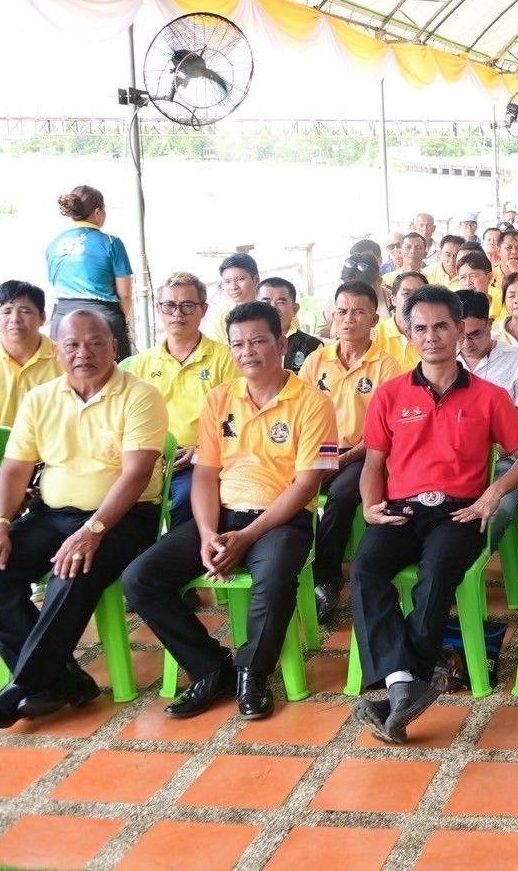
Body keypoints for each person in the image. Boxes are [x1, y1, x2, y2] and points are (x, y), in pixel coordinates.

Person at [123, 302, 338, 720]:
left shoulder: (313, 403)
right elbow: (205, 474)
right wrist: (207, 533)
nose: (247, 352)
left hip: (281, 519)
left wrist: (248, 536)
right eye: (237, 344)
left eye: (258, 341)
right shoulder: (220, 398)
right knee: (140, 578)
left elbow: (306, 485)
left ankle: (252, 673)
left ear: (281, 343)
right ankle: (210, 667)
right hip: (221, 515)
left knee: (273, 580)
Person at [351, 286, 518, 744]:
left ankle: (400, 685)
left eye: (441, 326)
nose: (431, 336)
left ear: (459, 329)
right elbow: (373, 464)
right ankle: (404, 682)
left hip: (460, 512)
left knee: (435, 575)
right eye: (421, 328)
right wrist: (371, 507)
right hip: (400, 510)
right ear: (409, 334)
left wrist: (493, 495)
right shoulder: (389, 395)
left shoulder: (490, 396)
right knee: (367, 568)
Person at [0, 311, 167, 728]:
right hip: (51, 515)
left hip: (122, 518)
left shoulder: (140, 395)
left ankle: (23, 686)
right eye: (73, 345)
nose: (85, 353)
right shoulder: (40, 399)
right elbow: (14, 470)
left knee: (72, 571)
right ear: (57, 351)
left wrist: (92, 530)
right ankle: (61, 679)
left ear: (113, 347)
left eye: (96, 343)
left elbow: (137, 474)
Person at [297, 281, 408, 618]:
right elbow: (298, 414)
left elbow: (385, 431)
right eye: (342, 311)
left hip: (365, 453)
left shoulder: (386, 366)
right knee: (288, 490)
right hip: (318, 451)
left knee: (343, 495)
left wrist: (342, 458)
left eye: (359, 312)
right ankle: (288, 569)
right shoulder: (316, 361)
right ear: (332, 315)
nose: (348, 319)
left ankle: (326, 578)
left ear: (374, 319)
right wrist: (318, 459)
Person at [124, 272, 239, 528]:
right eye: (169, 305)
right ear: (158, 309)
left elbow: (238, 416)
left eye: (187, 305)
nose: (178, 314)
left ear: (203, 310)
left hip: (201, 458)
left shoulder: (225, 358)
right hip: (148, 458)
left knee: (188, 497)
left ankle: (183, 550)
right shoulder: (142, 363)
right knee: (119, 493)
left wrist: (201, 450)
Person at [44, 186, 134, 360]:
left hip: (62, 320)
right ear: (98, 212)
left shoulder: (54, 244)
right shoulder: (111, 242)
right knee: (115, 375)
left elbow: (54, 282)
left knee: (66, 375)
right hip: (103, 321)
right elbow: (125, 294)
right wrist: (125, 322)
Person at [0, 281, 62, 428]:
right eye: (6, 311)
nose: (15, 319)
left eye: (25, 311)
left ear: (42, 317)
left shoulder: (65, 358)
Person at [257, 277, 322, 373]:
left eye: (280, 302)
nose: (272, 308)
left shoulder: (312, 346)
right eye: (266, 302)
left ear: (295, 309)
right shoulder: (245, 344)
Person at [207, 253, 260, 341]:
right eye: (227, 282)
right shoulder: (220, 317)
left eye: (240, 279)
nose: (233, 287)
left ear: (256, 279)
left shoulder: (273, 306)